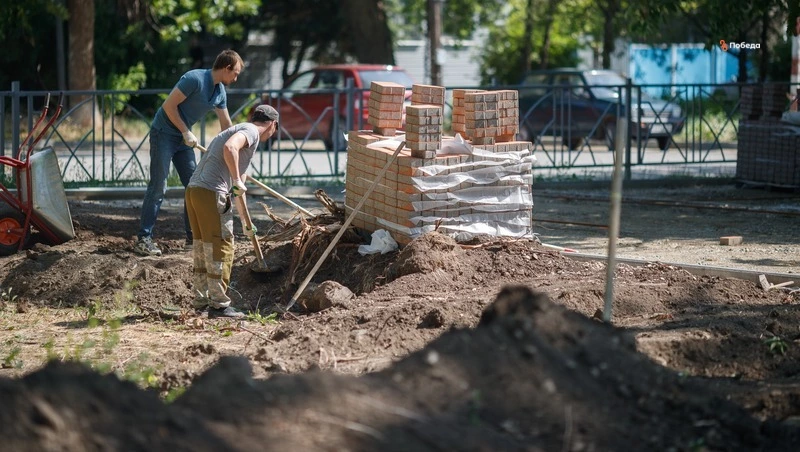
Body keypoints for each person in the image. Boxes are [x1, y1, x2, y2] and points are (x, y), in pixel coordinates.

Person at [135, 49, 244, 257]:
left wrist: (232, 149)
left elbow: (226, 125)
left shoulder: (220, 92)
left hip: (184, 140)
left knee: (193, 186)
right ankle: (144, 239)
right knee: (159, 186)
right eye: (235, 73)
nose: (236, 78)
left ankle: (192, 238)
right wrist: (185, 131)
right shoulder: (194, 79)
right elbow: (169, 106)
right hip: (164, 133)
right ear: (226, 68)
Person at [185, 104, 279, 318]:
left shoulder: (240, 132)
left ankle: (201, 301)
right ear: (273, 124)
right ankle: (219, 305)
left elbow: (239, 190)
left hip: (194, 192)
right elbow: (230, 148)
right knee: (222, 247)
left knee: (203, 247)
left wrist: (246, 223)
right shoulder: (251, 132)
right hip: (211, 192)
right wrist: (236, 179)